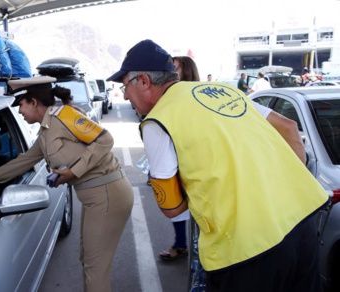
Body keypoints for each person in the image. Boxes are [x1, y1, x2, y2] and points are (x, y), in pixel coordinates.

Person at [107, 39, 329, 292]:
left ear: (144, 81)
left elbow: (171, 207)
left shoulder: (159, 121)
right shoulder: (225, 91)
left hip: (245, 247)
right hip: (302, 223)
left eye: (125, 85)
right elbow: (288, 127)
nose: (124, 94)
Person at [0, 76, 134, 292]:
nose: (19, 111)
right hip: (96, 197)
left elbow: (105, 139)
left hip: (108, 194)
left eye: (21, 105)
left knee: (95, 268)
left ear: (34, 102)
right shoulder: (46, 131)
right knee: (89, 260)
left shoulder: (64, 116)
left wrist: (72, 172)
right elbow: (23, 161)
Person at [157, 55, 200, 261]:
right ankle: (182, 243)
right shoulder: (170, 100)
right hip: (177, 162)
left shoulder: (196, 98)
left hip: (195, 165)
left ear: (186, 71)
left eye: (174, 68)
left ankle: (187, 246)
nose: (169, 73)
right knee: (178, 206)